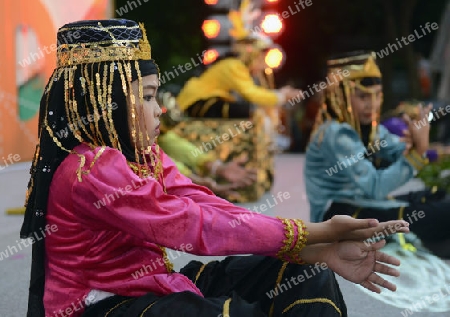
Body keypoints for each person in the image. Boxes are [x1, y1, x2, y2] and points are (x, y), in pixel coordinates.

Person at [21, 21, 409, 317]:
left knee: (303, 276)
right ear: (106, 101)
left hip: (151, 283)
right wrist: (312, 231)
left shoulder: (145, 154)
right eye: (150, 97)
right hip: (105, 304)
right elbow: (192, 225)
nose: (162, 111)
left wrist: (314, 250)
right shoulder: (90, 169)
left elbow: (206, 205)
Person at [304, 51, 450, 258]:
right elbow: (376, 187)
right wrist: (418, 152)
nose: (371, 104)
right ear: (341, 94)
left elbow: (397, 150)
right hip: (340, 217)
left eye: (376, 95)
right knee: (443, 212)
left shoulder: (368, 128)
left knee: (436, 194)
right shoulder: (336, 134)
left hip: (366, 206)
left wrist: (419, 144)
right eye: (363, 96)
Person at [176, 0, 300, 118]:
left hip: (205, 101)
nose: (263, 63)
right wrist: (282, 96)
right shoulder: (234, 66)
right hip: (196, 102)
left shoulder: (237, 66)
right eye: (261, 57)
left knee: (245, 110)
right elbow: (251, 93)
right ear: (253, 54)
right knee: (246, 111)